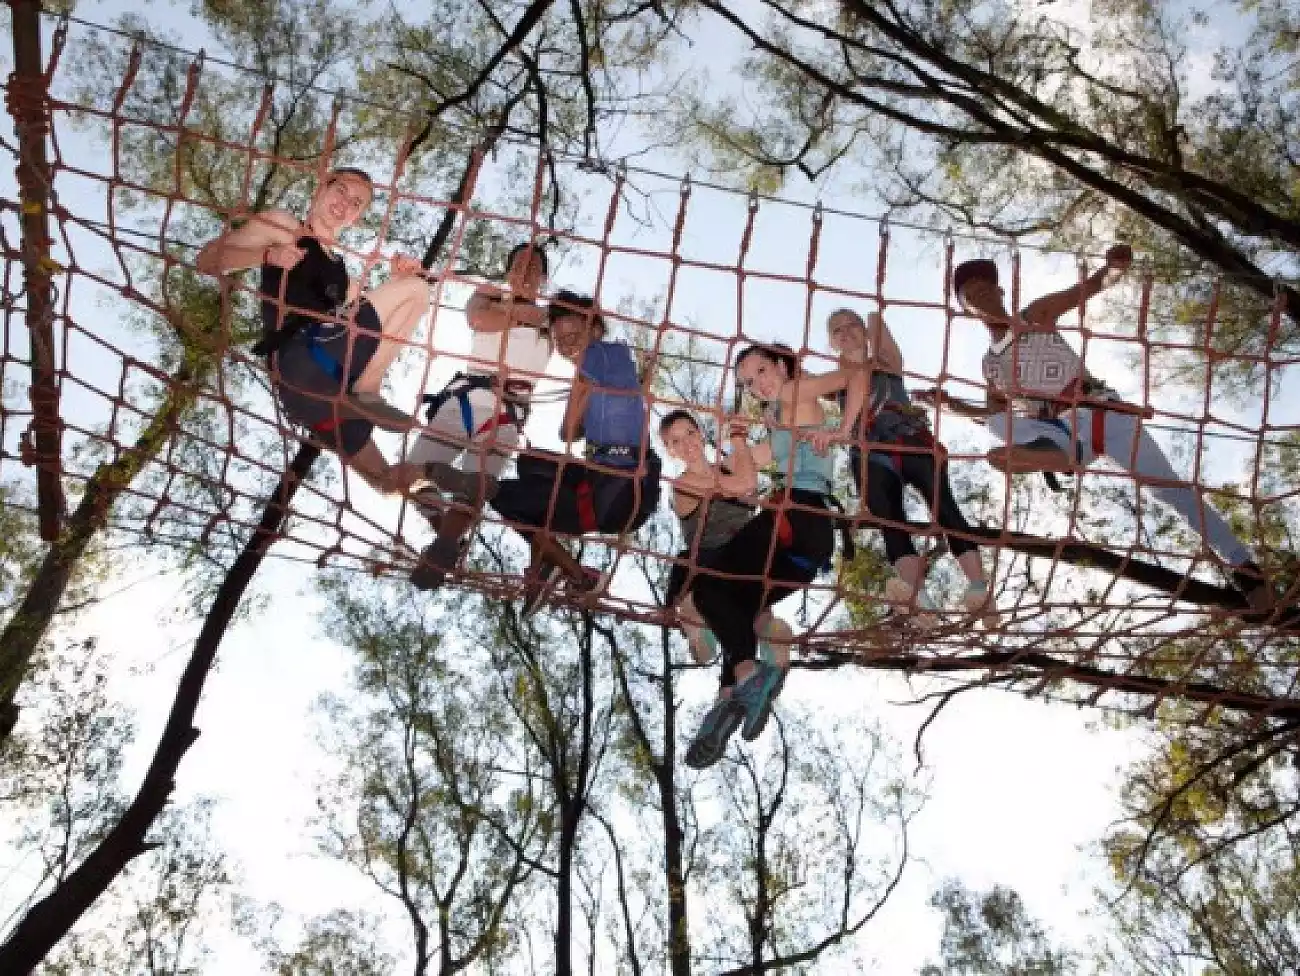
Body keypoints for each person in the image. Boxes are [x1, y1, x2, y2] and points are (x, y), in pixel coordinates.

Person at [918, 245, 1269, 608]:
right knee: (998, 424)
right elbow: (992, 415)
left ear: (1001, 291)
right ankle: (1057, 453)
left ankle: (1245, 569)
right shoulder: (990, 366)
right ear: (965, 310)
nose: (982, 294)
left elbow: (1090, 288)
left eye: (987, 287)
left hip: (1103, 410)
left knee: (1169, 490)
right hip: (1059, 427)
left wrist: (1114, 268)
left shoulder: (1035, 315)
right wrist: (950, 406)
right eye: (971, 294)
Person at [195, 166, 432, 495]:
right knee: (418, 290)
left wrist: (396, 281)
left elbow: (371, 327)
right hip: (299, 359)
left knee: (387, 483)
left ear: (356, 218)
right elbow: (207, 259)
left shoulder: (343, 276)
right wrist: (266, 254)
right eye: (341, 191)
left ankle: (443, 492)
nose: (344, 204)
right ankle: (367, 389)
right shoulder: (284, 226)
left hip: (311, 398)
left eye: (356, 204)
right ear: (321, 188)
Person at [679, 344, 850, 769]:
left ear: (780, 363)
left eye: (760, 371)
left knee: (707, 581)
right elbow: (741, 481)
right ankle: (729, 697)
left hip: (797, 518)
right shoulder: (779, 421)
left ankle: (749, 678)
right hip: (802, 552)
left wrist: (842, 428)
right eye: (749, 383)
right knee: (732, 605)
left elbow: (856, 375)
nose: (759, 385)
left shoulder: (795, 393)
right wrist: (728, 444)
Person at [489, 291, 662, 612]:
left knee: (497, 493)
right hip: (603, 478)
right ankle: (548, 560)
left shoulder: (606, 353)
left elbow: (568, 429)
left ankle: (575, 572)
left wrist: (579, 398)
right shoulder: (599, 372)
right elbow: (570, 432)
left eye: (574, 334)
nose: (567, 345)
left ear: (595, 328)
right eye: (560, 339)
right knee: (531, 462)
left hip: (620, 490)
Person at [827, 308, 992, 621]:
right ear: (830, 343)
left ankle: (978, 587)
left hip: (909, 437)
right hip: (869, 451)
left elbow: (875, 319)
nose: (845, 332)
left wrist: (867, 319)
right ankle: (918, 596)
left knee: (943, 506)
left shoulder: (887, 361)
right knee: (890, 520)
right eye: (837, 331)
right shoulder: (834, 380)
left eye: (852, 325)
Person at [406, 243, 553, 590]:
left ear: (544, 279)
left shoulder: (551, 319)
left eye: (534, 267)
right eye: (518, 264)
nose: (525, 272)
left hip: (509, 410)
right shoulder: (487, 294)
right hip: (465, 400)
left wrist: (521, 315)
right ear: (507, 271)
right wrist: (519, 313)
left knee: (478, 483)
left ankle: (444, 546)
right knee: (412, 476)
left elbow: (569, 335)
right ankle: (448, 538)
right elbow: (478, 319)